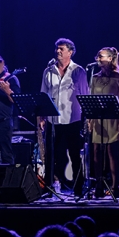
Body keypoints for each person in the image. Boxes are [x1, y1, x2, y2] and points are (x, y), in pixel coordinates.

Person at [39, 38, 89, 195]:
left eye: (61, 49)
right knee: (51, 155)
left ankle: (78, 188)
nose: (58, 51)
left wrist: (87, 119)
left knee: (74, 155)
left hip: (72, 119)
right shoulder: (48, 71)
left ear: (70, 52)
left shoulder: (78, 71)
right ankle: (48, 187)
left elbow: (85, 95)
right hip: (53, 120)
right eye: (57, 48)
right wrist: (42, 116)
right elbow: (43, 94)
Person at [89, 47, 119, 199]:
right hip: (98, 118)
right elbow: (91, 97)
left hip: (113, 118)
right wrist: (89, 119)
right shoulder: (95, 77)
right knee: (97, 152)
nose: (98, 59)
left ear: (111, 59)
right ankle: (99, 186)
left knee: (113, 152)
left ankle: (114, 187)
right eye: (98, 56)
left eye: (101, 56)